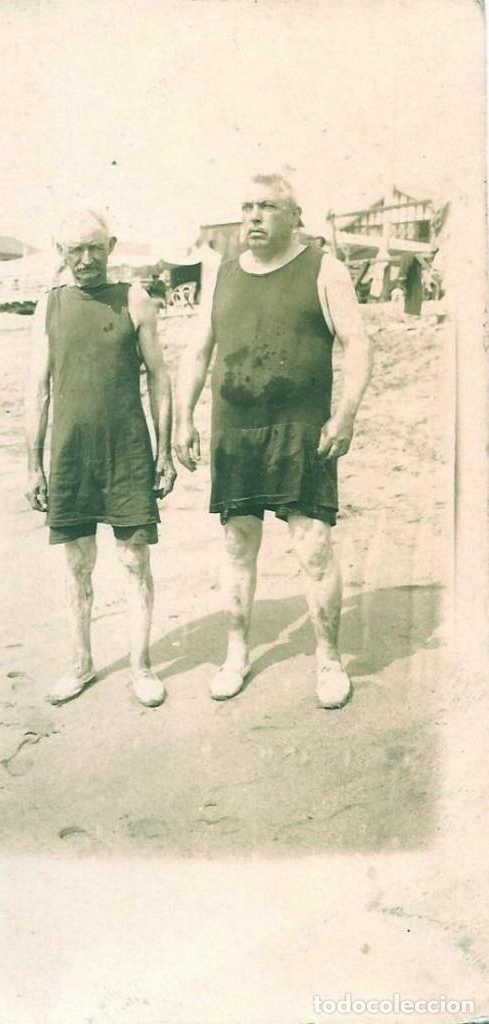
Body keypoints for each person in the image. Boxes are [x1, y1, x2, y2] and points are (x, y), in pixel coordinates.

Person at [175, 173, 372, 709]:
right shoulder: (222, 275)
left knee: (313, 548)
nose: (254, 217)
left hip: (301, 432)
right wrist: (182, 418)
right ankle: (236, 653)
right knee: (238, 544)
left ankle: (329, 660)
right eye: (246, 207)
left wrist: (345, 415)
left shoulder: (324, 269)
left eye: (266, 207)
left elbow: (357, 346)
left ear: (294, 216)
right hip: (235, 432)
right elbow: (196, 353)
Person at [25, 209, 177, 708]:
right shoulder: (48, 307)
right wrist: (33, 464)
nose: (85, 259)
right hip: (70, 455)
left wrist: (164, 453)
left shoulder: (134, 298)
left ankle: (141, 665)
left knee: (135, 560)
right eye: (75, 250)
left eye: (94, 248)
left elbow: (159, 377)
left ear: (110, 246)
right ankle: (81, 664)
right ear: (60, 252)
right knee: (77, 565)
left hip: (128, 453)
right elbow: (38, 390)